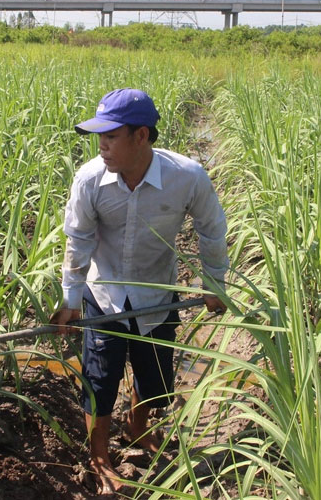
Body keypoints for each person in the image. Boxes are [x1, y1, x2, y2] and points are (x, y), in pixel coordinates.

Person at [49, 88, 229, 495]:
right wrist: (71, 300)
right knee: (100, 378)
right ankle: (99, 455)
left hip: (157, 292)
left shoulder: (186, 177)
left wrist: (214, 284)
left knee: (155, 376)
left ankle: (137, 428)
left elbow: (211, 230)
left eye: (111, 136)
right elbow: (77, 240)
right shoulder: (90, 178)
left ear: (141, 136)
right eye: (99, 136)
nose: (102, 145)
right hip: (104, 292)